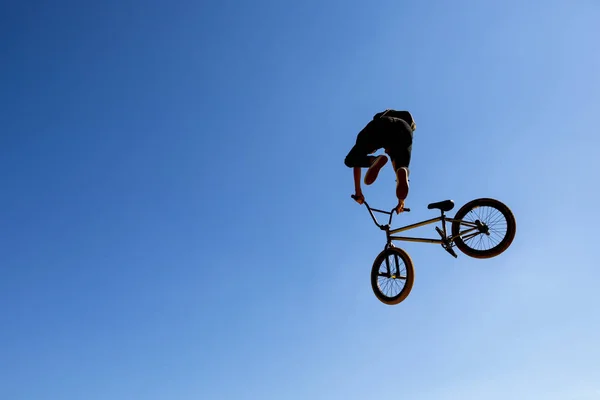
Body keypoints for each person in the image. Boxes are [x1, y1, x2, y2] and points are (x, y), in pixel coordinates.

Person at [344, 109, 416, 213]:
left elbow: (356, 163)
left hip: (379, 126)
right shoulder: (402, 133)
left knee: (350, 160)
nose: (386, 151)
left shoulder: (369, 131)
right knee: (401, 167)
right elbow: (399, 175)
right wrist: (401, 201)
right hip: (405, 130)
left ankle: (374, 161)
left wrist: (358, 191)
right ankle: (382, 163)